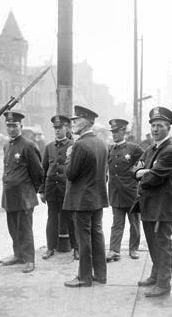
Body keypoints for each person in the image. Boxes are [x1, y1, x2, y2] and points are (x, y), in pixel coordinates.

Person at [131, 106, 172, 297]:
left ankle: (163, 284)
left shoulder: (170, 151)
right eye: (153, 125)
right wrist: (143, 171)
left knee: (162, 245)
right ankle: (155, 275)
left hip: (162, 207)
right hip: (150, 206)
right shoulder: (151, 148)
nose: (155, 129)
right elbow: (135, 170)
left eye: (159, 126)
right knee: (153, 243)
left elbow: (152, 179)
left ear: (168, 128)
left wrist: (144, 173)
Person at [63, 105, 109, 288]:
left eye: (76, 120)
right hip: (97, 198)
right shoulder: (101, 143)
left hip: (82, 201)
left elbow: (71, 174)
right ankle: (100, 274)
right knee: (97, 236)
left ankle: (84, 277)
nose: (73, 123)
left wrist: (68, 157)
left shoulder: (79, 145)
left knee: (84, 239)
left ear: (86, 122)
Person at [0, 111, 44, 273]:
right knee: (13, 228)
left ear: (21, 126)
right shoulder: (7, 146)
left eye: (14, 126)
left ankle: (30, 259)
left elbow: (38, 172)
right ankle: (18, 255)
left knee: (25, 228)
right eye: (9, 126)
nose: (11, 129)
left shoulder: (28, 145)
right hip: (10, 195)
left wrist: (36, 190)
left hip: (24, 196)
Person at [39, 115, 79, 260]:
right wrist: (42, 190)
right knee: (52, 219)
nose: (57, 131)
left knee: (71, 219)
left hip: (67, 190)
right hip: (52, 189)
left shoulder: (73, 145)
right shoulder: (49, 147)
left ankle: (76, 248)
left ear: (66, 128)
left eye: (60, 128)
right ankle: (50, 248)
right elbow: (43, 169)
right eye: (55, 128)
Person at [106, 119, 144, 262]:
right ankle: (114, 250)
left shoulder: (133, 148)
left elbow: (146, 158)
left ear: (124, 132)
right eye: (113, 132)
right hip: (115, 192)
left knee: (134, 222)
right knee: (117, 223)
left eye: (118, 131)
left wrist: (135, 172)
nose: (115, 134)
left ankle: (133, 249)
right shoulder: (110, 149)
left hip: (131, 192)